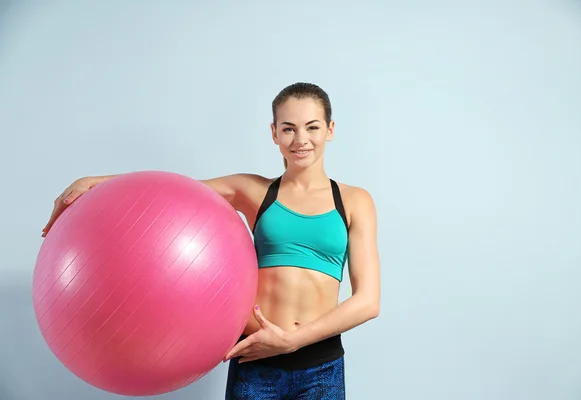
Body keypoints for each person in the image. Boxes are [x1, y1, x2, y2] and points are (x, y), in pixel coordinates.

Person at [41, 82, 381, 399]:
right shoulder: (254, 191)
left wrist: (291, 341)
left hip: (320, 366)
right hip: (255, 362)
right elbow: (171, 192)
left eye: (312, 127)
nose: (300, 139)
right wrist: (95, 182)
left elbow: (368, 301)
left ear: (330, 130)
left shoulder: (353, 201)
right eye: (289, 128)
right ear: (274, 133)